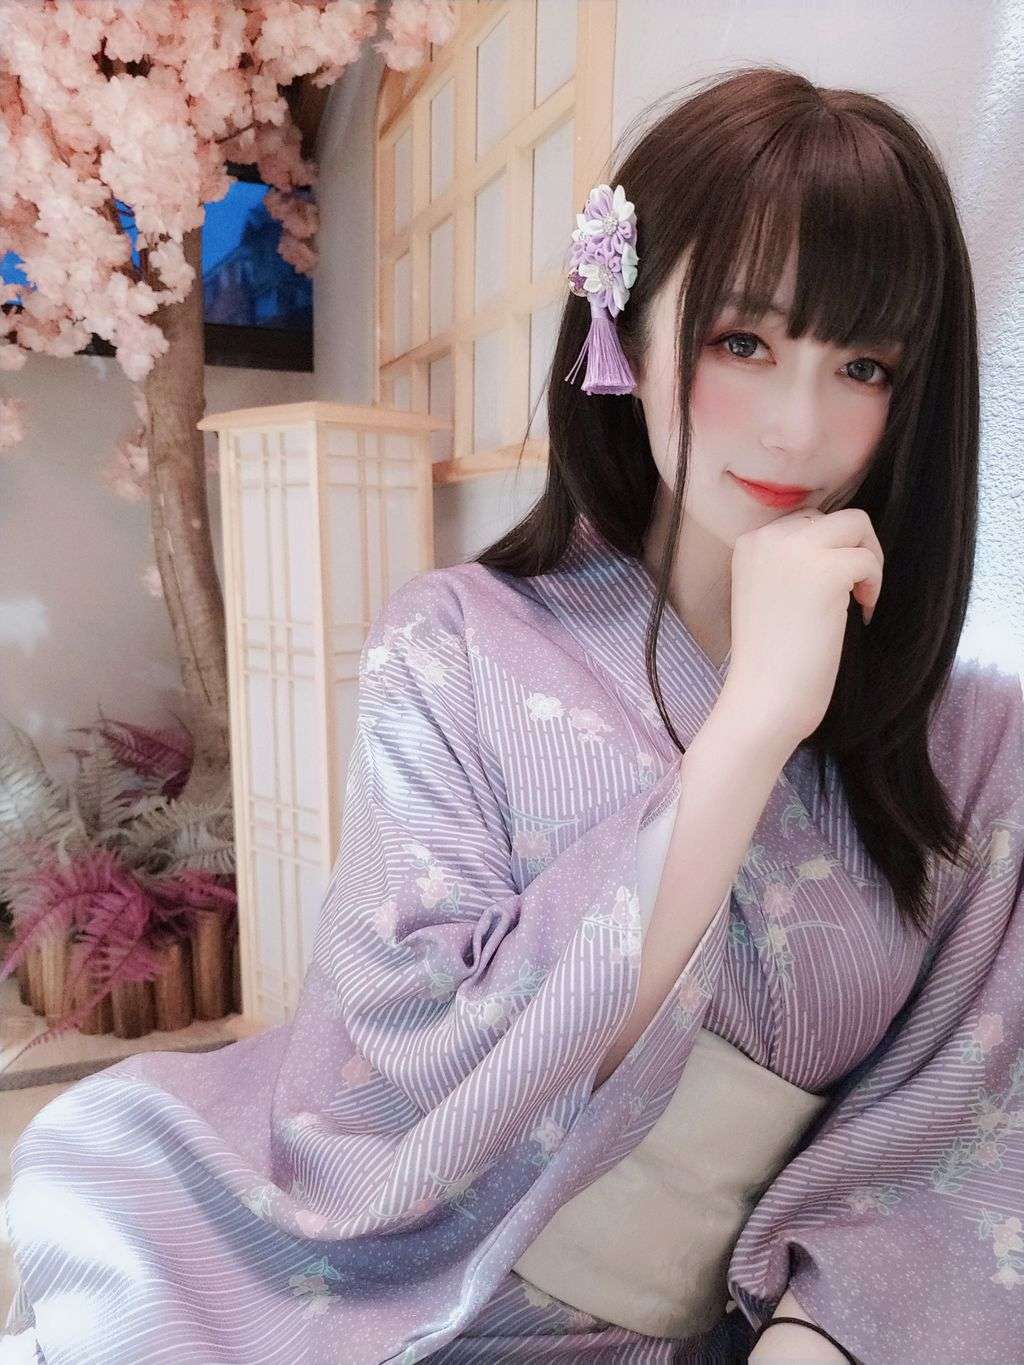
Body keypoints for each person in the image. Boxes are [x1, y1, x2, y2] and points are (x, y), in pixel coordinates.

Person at [3, 65, 1022, 1365]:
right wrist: (747, 734)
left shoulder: (979, 745)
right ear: (625, 327)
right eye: (742, 341)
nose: (798, 424)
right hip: (362, 1278)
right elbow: (403, 1051)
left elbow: (973, 1138)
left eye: (863, 365)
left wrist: (820, 1335)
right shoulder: (458, 642)